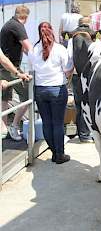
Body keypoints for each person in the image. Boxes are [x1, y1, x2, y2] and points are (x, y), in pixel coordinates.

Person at [28, 22, 73, 164]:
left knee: (47, 123)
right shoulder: (60, 49)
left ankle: (54, 151)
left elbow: (32, 68)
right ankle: (59, 154)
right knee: (58, 123)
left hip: (40, 90)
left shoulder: (34, 49)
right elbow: (67, 69)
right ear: (52, 31)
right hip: (57, 89)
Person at [0, 5, 33, 141]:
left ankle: (4, 129)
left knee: (5, 99)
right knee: (27, 95)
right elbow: (28, 47)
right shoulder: (17, 26)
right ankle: (13, 126)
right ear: (24, 17)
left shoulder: (7, 24)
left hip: (4, 68)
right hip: (10, 68)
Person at [67, 17, 96, 143]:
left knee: (80, 104)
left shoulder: (72, 36)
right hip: (90, 73)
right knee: (89, 103)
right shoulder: (92, 35)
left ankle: (82, 133)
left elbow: (69, 58)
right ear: (89, 25)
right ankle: (86, 134)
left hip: (76, 74)